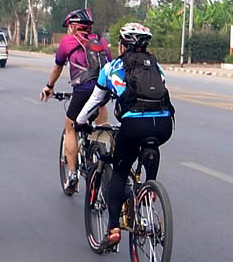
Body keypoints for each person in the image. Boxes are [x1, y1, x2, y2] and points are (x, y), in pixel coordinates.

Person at [75, 23, 174, 247]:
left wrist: (80, 122)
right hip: (164, 125)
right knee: (150, 149)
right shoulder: (156, 67)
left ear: (122, 45)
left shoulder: (111, 68)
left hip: (133, 125)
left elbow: (96, 100)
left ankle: (113, 228)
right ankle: (148, 194)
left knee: (120, 169)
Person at [40, 8, 111, 193]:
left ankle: (72, 174)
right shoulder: (102, 42)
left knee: (70, 128)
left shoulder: (67, 42)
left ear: (73, 27)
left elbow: (58, 68)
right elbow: (110, 67)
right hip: (102, 92)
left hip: (82, 91)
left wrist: (49, 86)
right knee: (102, 126)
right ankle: (104, 157)